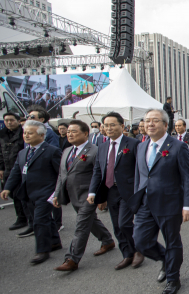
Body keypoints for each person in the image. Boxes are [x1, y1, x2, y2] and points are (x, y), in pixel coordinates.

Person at [129, 108, 189, 294]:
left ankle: (173, 279)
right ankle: (167, 259)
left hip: (169, 203)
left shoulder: (177, 146)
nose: (150, 124)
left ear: (165, 125)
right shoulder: (141, 146)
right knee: (141, 241)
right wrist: (136, 199)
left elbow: (187, 177)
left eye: (155, 121)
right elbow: (139, 176)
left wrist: (188, 205)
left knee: (172, 241)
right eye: (147, 121)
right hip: (145, 203)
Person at [52, 120, 115, 272]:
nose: (69, 134)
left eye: (74, 131)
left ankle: (72, 259)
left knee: (81, 225)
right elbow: (62, 174)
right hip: (72, 194)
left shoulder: (95, 151)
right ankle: (107, 240)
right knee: (90, 221)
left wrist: (102, 197)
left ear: (85, 133)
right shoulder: (67, 151)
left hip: (88, 195)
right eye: (68, 132)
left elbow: (100, 175)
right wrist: (57, 194)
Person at [88, 112, 144, 270]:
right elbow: (98, 171)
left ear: (122, 126)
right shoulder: (103, 146)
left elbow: (140, 169)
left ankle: (139, 249)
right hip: (110, 191)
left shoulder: (133, 144)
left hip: (128, 191)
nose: (109, 128)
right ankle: (127, 254)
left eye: (113, 125)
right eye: (106, 125)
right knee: (117, 226)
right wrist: (93, 192)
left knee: (124, 223)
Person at [1, 121, 62, 265]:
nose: (26, 135)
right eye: (25, 133)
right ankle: (54, 241)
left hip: (46, 192)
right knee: (43, 218)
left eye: (30, 133)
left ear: (41, 135)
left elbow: (61, 173)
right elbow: (16, 171)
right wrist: (7, 188)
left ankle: (42, 250)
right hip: (28, 192)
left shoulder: (51, 151)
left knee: (39, 221)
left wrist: (58, 192)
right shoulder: (23, 152)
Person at [27, 106, 63, 231]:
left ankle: (57, 225)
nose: (29, 118)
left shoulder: (50, 134)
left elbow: (53, 153)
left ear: (42, 119)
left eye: (32, 117)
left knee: (52, 203)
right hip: (33, 181)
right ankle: (54, 239)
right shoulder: (27, 147)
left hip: (47, 178)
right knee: (42, 214)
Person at [0, 112, 28, 231]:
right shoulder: (2, 134)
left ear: (18, 120)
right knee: (12, 193)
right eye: (6, 120)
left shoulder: (24, 133)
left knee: (20, 194)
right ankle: (22, 216)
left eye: (11, 120)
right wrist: (1, 167)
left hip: (21, 169)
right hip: (8, 168)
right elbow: (0, 153)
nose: (9, 122)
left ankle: (23, 218)